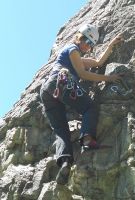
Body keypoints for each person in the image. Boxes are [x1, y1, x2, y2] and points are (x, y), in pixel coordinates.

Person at [40, 24, 123, 185]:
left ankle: (65, 163)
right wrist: (109, 79)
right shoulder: (73, 49)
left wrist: (111, 44)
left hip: (47, 92)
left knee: (61, 129)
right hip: (61, 82)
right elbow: (83, 74)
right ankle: (87, 139)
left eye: (91, 45)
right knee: (89, 107)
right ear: (79, 38)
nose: (89, 47)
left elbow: (98, 63)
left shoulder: (77, 56)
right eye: (87, 42)